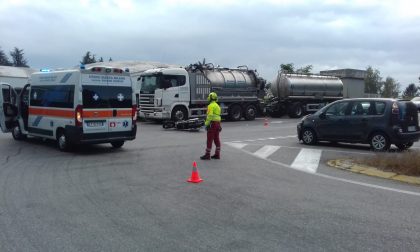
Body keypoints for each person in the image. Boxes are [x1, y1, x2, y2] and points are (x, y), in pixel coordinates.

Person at [200, 92, 222, 160]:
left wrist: (206, 124)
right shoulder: (217, 106)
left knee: (209, 139)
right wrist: (219, 125)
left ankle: (207, 155)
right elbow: (218, 116)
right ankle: (217, 154)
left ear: (210, 98)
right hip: (217, 123)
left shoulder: (210, 106)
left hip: (212, 124)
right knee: (216, 139)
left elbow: (210, 116)